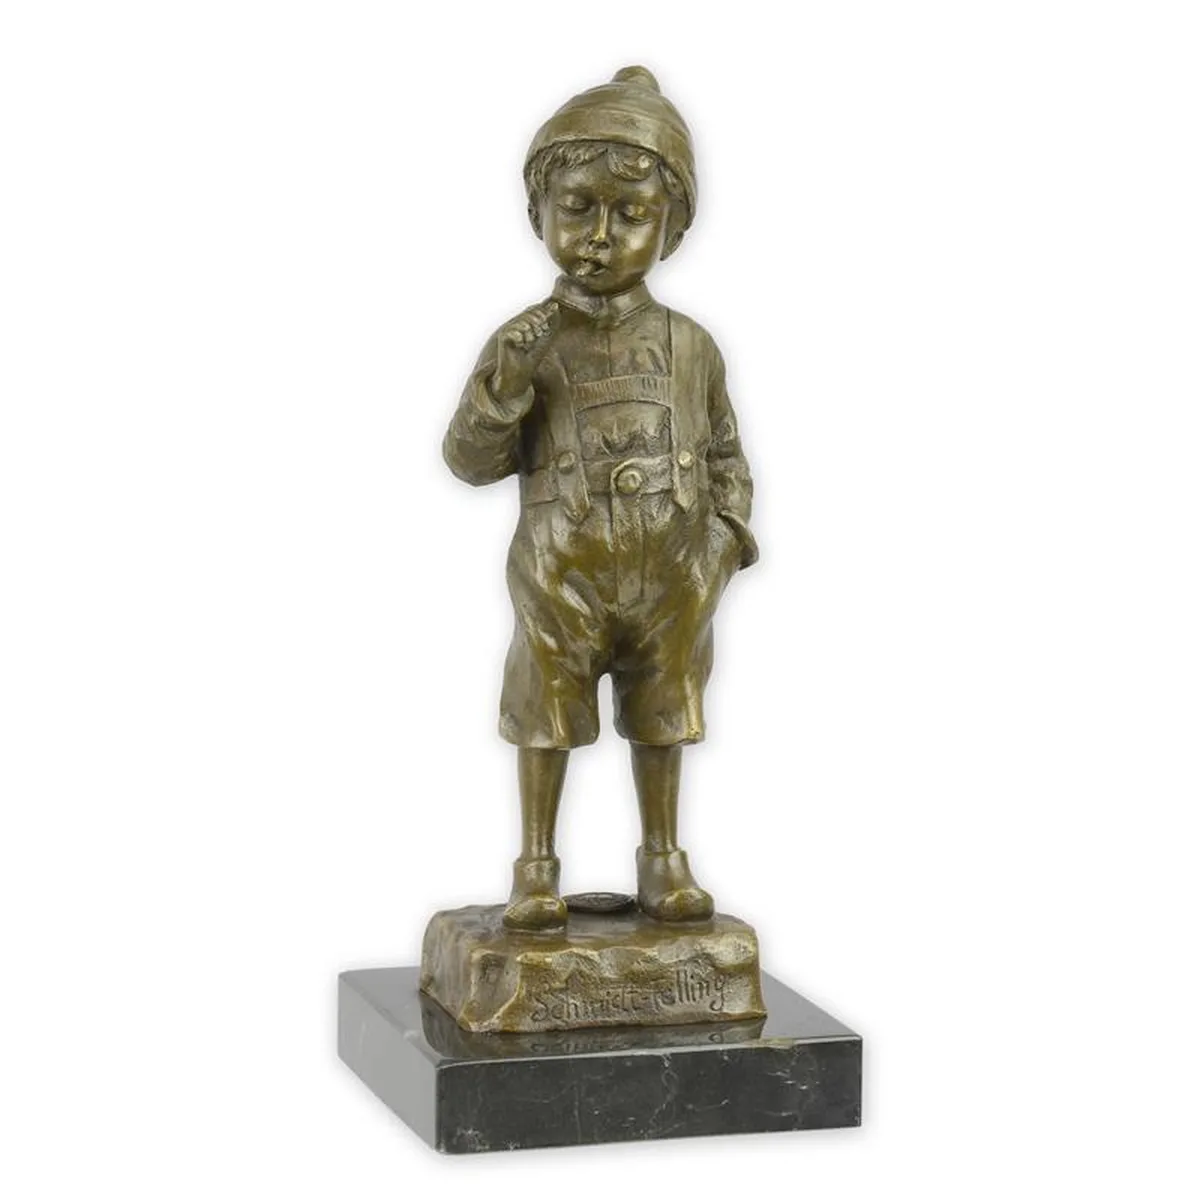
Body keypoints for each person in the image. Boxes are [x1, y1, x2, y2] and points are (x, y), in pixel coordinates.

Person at [444, 66, 758, 931]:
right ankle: (535, 865)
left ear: (673, 228)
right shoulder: (528, 341)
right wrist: (504, 386)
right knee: (544, 715)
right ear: (538, 212)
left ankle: (663, 857)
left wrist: (723, 541)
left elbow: (726, 453)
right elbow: (470, 461)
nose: (599, 236)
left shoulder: (691, 346)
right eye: (577, 208)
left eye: (632, 215)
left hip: (673, 577)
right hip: (562, 576)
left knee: (663, 717)